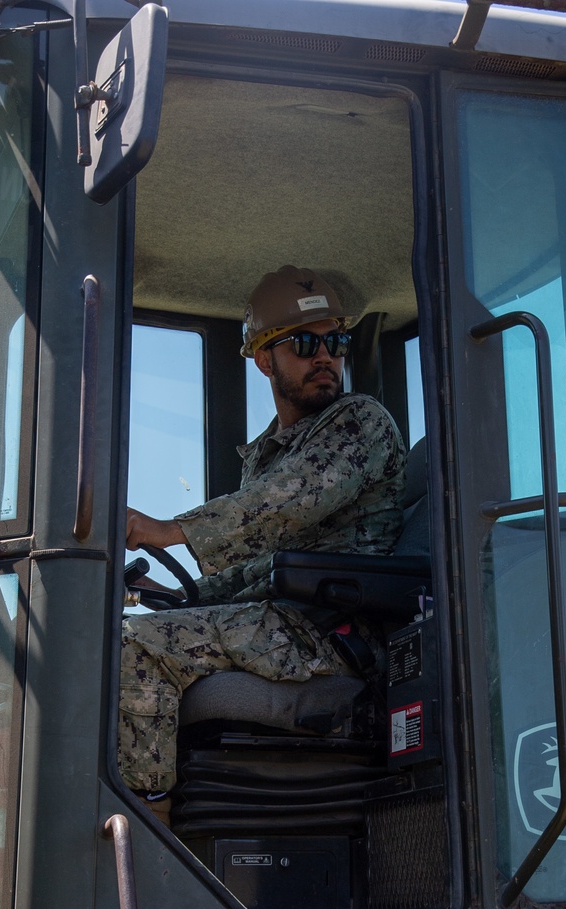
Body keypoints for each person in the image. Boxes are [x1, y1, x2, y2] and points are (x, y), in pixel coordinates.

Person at [120, 265, 407, 801]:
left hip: (332, 630)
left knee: (135, 649)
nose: (325, 356)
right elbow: (254, 566)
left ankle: (148, 831)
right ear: (264, 358)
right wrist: (176, 599)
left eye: (335, 342)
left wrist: (165, 529)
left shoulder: (360, 422)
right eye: (305, 343)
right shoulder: (271, 453)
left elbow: (284, 506)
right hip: (279, 621)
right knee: (119, 632)